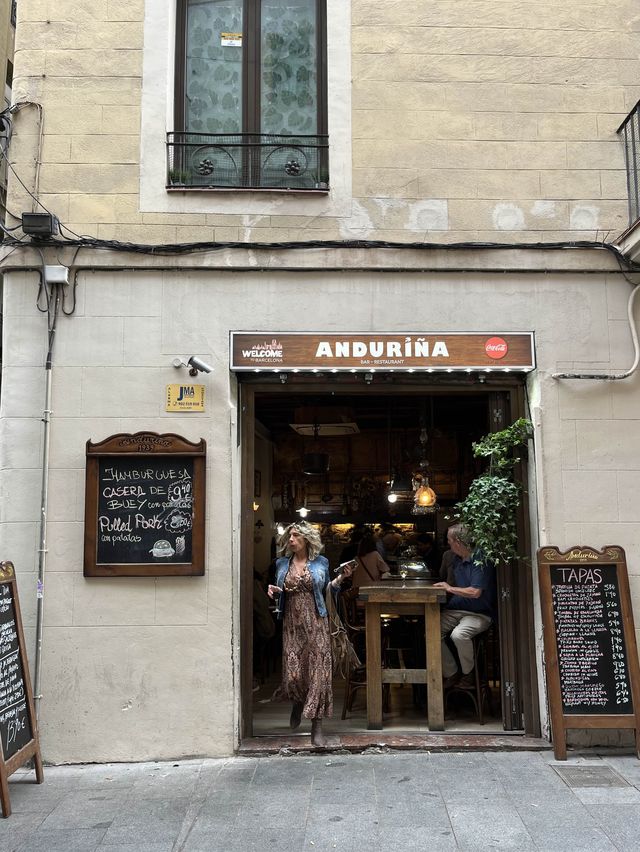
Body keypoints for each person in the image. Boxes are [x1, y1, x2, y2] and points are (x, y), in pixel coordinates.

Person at [267, 521, 354, 747]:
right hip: (292, 624)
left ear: (306, 539)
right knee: (294, 674)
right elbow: (278, 591)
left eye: (296, 536)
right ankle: (298, 700)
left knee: (318, 673)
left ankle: (317, 728)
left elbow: (327, 589)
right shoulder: (280, 564)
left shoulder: (320, 563)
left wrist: (341, 579)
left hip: (316, 621)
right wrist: (273, 591)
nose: (291, 540)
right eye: (290, 536)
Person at [433, 523, 497, 690]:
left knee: (459, 635)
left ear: (458, 542)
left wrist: (448, 588)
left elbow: (475, 592)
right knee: (431, 630)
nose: (448, 544)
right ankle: (452, 673)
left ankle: (469, 674)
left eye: (449, 540)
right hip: (458, 609)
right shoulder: (456, 560)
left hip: (480, 613)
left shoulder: (480, 559)